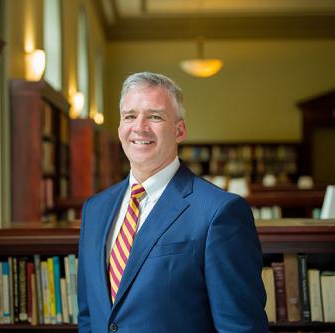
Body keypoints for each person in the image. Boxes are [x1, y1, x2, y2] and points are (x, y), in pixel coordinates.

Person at [77, 72, 268, 332]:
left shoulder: (219, 212)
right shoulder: (94, 210)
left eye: (154, 116)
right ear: (120, 126)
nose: (139, 127)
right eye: (129, 116)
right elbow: (89, 316)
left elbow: (241, 328)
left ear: (179, 131)